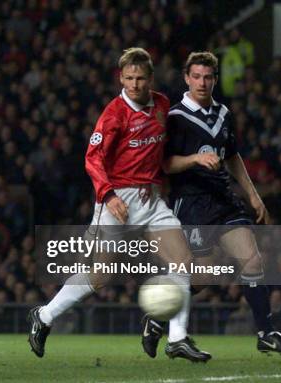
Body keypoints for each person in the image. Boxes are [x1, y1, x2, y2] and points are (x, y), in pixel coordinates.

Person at [26, 47, 199, 359]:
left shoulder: (161, 104)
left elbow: (158, 151)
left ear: (151, 79)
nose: (134, 84)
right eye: (129, 78)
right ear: (121, 78)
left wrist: (154, 179)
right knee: (100, 275)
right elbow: (92, 160)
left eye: (140, 78)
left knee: (182, 259)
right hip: (118, 200)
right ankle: (44, 316)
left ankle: (178, 339)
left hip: (151, 199)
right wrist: (108, 195)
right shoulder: (114, 115)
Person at [141, 51, 281, 360]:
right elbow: (165, 164)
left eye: (208, 77)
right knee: (203, 276)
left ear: (215, 79)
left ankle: (265, 333)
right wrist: (195, 158)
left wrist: (252, 194)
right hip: (192, 203)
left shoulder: (223, 113)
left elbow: (232, 156)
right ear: (186, 78)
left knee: (252, 259)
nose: (202, 82)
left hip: (224, 200)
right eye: (196, 76)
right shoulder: (176, 117)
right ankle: (158, 317)